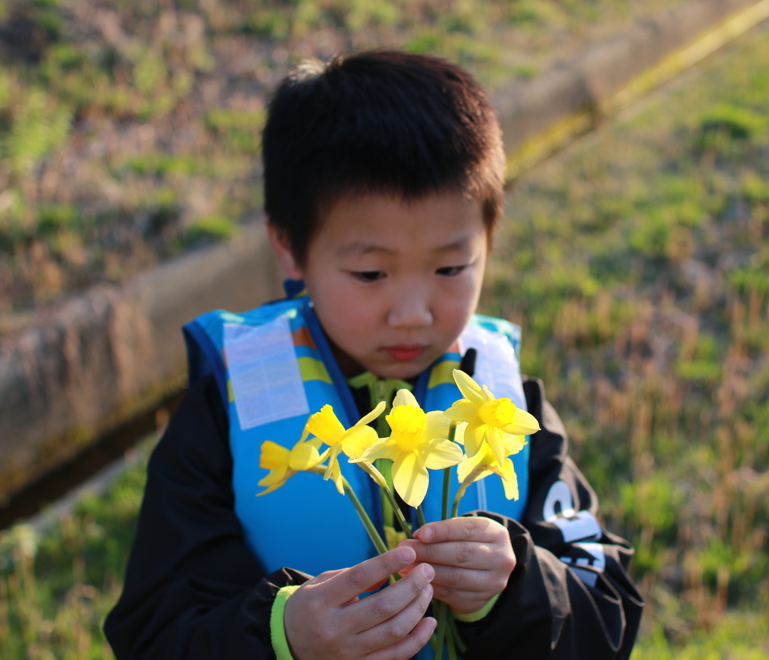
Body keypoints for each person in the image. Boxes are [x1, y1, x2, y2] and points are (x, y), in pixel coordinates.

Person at [104, 50, 643, 659]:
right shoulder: (226, 408)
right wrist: (283, 634)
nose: (412, 311)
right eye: (370, 273)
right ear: (289, 247)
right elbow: (153, 632)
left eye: (451, 266)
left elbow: (609, 616)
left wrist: (516, 585)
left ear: (490, 237)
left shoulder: (507, 401)